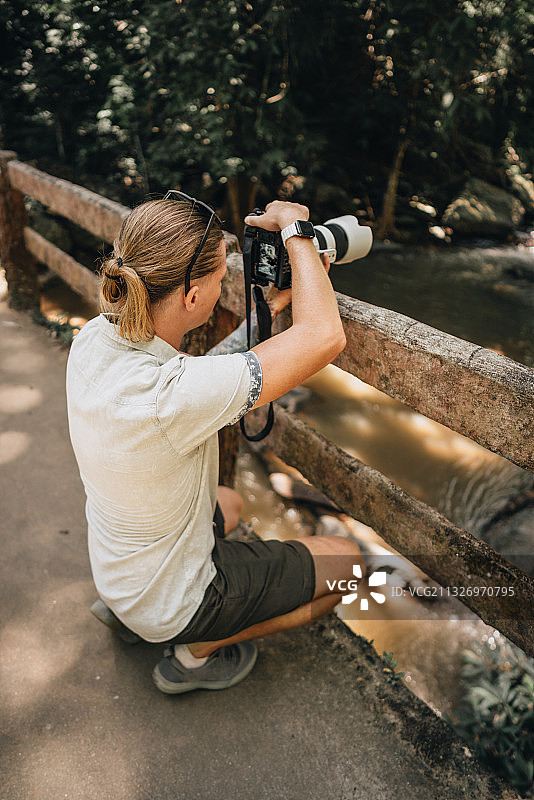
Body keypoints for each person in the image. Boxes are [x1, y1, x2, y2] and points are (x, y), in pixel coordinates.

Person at [66, 193, 364, 695]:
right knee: (348, 564)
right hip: (172, 601)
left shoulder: (96, 337)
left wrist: (263, 318)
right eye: (220, 279)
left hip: (116, 573)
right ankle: (194, 651)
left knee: (229, 501)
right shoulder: (171, 399)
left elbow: (205, 379)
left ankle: (126, 611)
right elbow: (324, 335)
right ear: (190, 296)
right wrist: (298, 234)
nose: (226, 283)